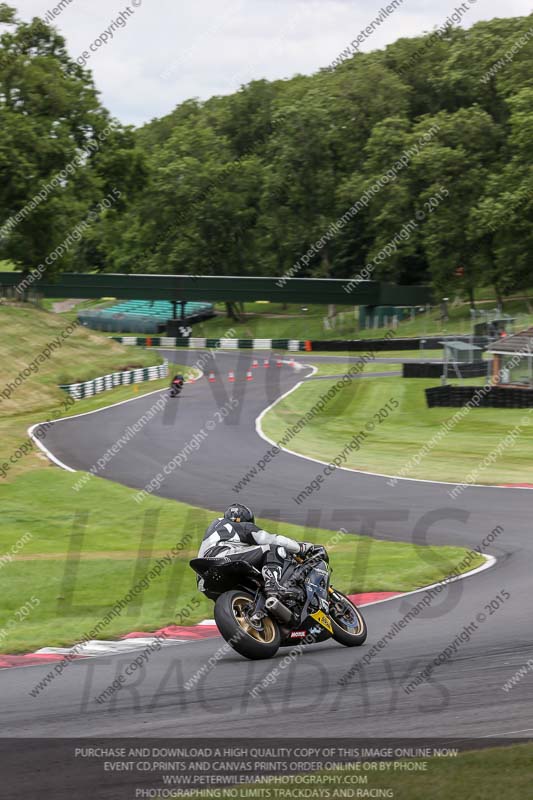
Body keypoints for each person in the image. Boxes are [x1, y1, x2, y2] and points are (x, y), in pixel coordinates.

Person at [197, 503, 313, 598]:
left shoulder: (213, 532)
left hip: (205, 576)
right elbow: (270, 539)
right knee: (272, 549)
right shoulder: (241, 526)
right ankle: (273, 585)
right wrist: (300, 548)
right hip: (226, 556)